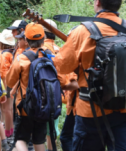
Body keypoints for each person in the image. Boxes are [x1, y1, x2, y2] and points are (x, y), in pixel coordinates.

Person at [54, 0, 126, 150]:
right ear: (119, 2)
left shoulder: (82, 31)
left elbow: (61, 67)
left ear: (97, 1)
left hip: (90, 110)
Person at [6, 23, 78, 151]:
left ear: (27, 41)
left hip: (25, 106)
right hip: (45, 106)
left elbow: (10, 82)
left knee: (20, 140)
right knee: (39, 140)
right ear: (44, 39)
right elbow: (61, 82)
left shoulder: (21, 59)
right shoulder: (52, 57)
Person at [0, 29, 16, 144]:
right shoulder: (12, 52)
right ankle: (10, 131)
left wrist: (3, 90)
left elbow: (4, 73)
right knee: (9, 108)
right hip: (12, 83)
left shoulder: (5, 54)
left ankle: (8, 133)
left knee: (6, 109)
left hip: (6, 84)